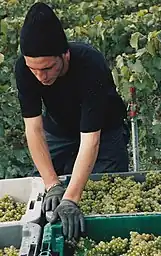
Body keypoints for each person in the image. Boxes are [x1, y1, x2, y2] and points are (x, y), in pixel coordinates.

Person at [15, 2, 130, 240]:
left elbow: (91, 139)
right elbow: (34, 129)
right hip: (58, 130)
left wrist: (71, 199)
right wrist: (52, 183)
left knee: (104, 192)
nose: (40, 76)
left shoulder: (90, 64)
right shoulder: (25, 69)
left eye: (47, 68)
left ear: (65, 54)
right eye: (33, 69)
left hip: (103, 131)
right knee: (45, 193)